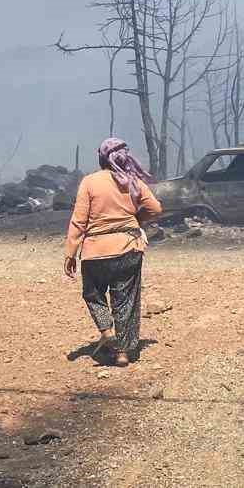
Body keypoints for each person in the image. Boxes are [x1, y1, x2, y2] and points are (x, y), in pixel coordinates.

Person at [64, 138, 161, 365]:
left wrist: (70, 252)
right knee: (125, 300)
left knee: (93, 293)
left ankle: (107, 332)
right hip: (128, 248)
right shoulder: (133, 181)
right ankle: (123, 353)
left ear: (101, 158)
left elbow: (79, 221)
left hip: (95, 252)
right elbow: (155, 208)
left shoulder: (89, 182)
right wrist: (137, 219)